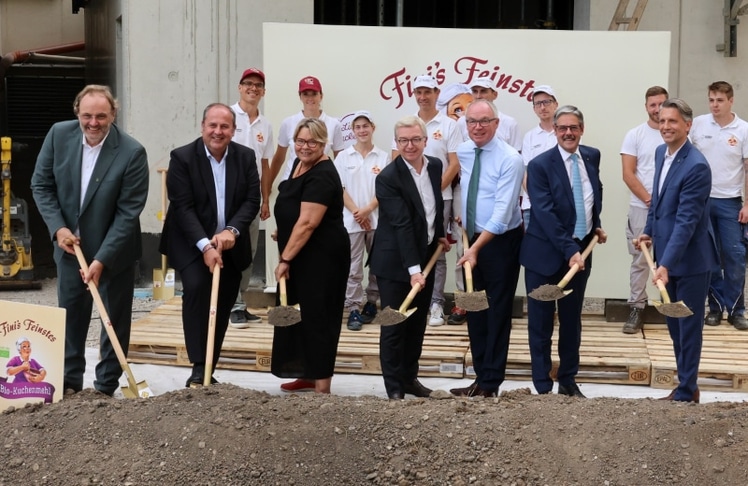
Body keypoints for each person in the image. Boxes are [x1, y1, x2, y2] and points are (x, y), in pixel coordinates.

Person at [31, 84, 149, 396]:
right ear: (77, 113)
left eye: (101, 116)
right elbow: (41, 184)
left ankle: (105, 387)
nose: (93, 123)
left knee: (113, 321)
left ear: (114, 114)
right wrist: (58, 228)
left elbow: (128, 212)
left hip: (115, 253)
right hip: (70, 249)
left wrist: (102, 259)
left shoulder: (131, 152)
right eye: (87, 115)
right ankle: (69, 383)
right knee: (71, 318)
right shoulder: (59, 135)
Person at [160, 103, 260, 387]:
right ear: (202, 126)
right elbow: (182, 206)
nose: (218, 132)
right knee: (197, 289)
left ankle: (209, 367)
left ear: (233, 130)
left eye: (224, 127)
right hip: (191, 241)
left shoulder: (245, 157)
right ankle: (197, 366)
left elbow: (252, 201)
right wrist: (205, 246)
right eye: (212, 126)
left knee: (224, 299)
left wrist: (232, 230)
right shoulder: (182, 158)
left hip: (231, 242)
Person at [520, 105, 607, 398]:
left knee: (571, 320)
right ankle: (543, 386)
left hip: (580, 252)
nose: (568, 133)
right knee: (541, 322)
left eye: (573, 127)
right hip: (545, 256)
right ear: (555, 131)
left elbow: (591, 193)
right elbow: (544, 213)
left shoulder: (592, 156)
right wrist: (571, 248)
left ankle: (568, 381)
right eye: (562, 128)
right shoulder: (539, 165)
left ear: (581, 129)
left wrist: (595, 225)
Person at [637, 98, 718, 403]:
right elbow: (657, 202)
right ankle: (686, 385)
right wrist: (648, 230)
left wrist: (666, 263)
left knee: (688, 327)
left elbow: (686, 221)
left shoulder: (697, 166)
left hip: (691, 262)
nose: (666, 127)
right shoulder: (662, 153)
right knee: (673, 324)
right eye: (662, 121)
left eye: (673, 121)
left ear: (688, 125)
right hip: (666, 261)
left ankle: (687, 390)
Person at [450, 100, 524, 397]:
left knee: (496, 311)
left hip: (499, 244)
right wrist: (464, 218)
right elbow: (469, 190)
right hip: (472, 241)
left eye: (484, 121)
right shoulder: (465, 151)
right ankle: (479, 377)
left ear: (496, 123)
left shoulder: (510, 159)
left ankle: (491, 382)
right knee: (475, 309)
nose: (477, 127)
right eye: (471, 122)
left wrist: (476, 249)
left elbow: (503, 212)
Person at [373, 115, 451, 399]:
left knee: (416, 324)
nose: (410, 146)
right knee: (395, 324)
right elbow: (402, 224)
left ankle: (409, 379)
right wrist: (414, 270)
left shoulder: (435, 166)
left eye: (415, 139)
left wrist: (440, 233)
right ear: (396, 143)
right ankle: (394, 389)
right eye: (404, 140)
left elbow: (434, 205)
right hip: (395, 262)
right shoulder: (388, 178)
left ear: (425, 140)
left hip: (425, 255)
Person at [272, 118, 350, 394]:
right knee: (298, 315)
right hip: (299, 253)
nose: (305, 147)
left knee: (319, 317)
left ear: (324, 143)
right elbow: (293, 208)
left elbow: (307, 223)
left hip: (322, 258)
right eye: (300, 141)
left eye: (312, 142)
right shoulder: (297, 164)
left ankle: (322, 384)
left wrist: (284, 259)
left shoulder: (323, 174)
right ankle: (306, 371)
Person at [392, 74, 462, 327]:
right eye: (419, 92)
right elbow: (395, 159)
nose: (423, 97)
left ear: (436, 93)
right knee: (408, 246)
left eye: (428, 92)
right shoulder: (407, 123)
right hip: (408, 201)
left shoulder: (450, 124)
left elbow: (454, 164)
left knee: (436, 252)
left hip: (439, 198)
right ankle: (409, 298)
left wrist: (431, 191)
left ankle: (435, 303)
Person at [690, 81, 748, 330]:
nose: (715, 105)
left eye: (720, 100)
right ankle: (714, 308)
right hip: (702, 201)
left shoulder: (743, 129)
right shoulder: (699, 125)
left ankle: (736, 310)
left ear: (731, 101)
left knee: (735, 256)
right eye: (711, 99)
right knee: (708, 257)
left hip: (731, 202)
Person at [334, 111, 390, 331]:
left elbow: (384, 189)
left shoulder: (383, 157)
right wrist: (358, 212)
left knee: (377, 267)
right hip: (352, 221)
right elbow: (340, 189)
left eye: (365, 126)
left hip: (377, 220)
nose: (362, 130)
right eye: (357, 127)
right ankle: (354, 308)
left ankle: (371, 303)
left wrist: (368, 210)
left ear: (372, 128)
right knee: (353, 268)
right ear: (353, 131)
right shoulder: (343, 157)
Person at [620, 86, 668, 334]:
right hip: (642, 208)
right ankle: (637, 308)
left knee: (672, 258)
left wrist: (667, 203)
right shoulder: (635, 135)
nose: (658, 109)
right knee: (641, 260)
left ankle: (672, 307)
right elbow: (628, 174)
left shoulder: (675, 133)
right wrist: (651, 201)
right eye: (653, 104)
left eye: (662, 103)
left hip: (671, 211)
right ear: (646, 106)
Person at [228, 67, 274, 327]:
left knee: (249, 250)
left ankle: (239, 302)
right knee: (229, 248)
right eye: (248, 83)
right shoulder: (228, 115)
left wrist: (265, 198)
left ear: (263, 91)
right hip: (227, 194)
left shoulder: (265, 124)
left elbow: (265, 165)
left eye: (258, 85)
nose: (253, 88)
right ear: (240, 87)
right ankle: (230, 303)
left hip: (251, 196)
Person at [264, 76, 345, 207]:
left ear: (321, 96)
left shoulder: (333, 124)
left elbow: (340, 159)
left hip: (319, 184)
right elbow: (279, 158)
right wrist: (267, 186)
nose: (310, 98)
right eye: (305, 94)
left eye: (314, 94)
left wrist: (339, 187)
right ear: (300, 96)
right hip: (291, 182)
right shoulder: (288, 123)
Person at [520, 85, 558, 230]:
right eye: (538, 104)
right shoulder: (529, 137)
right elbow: (524, 172)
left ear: (555, 104)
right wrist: (538, 199)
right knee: (534, 250)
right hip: (532, 205)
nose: (543, 107)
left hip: (560, 205)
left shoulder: (565, 133)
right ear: (534, 108)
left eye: (547, 102)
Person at [458, 78, 522, 151]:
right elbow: (459, 154)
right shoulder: (462, 122)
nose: (478, 96)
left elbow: (516, 153)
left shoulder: (510, 123)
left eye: (483, 91)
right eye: (475, 91)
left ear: (495, 95)